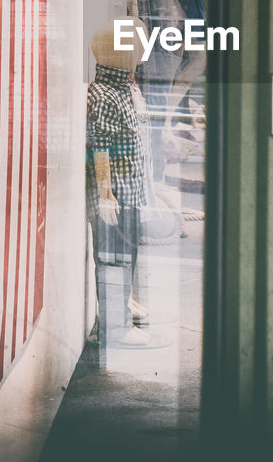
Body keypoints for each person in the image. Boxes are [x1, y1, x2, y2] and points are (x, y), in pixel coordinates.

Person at [87, 18, 153, 347]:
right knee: (114, 259)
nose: (143, 51)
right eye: (137, 45)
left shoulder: (124, 88)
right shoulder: (104, 95)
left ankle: (120, 322)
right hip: (118, 197)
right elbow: (100, 147)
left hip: (131, 192)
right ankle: (113, 328)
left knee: (126, 256)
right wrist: (105, 194)